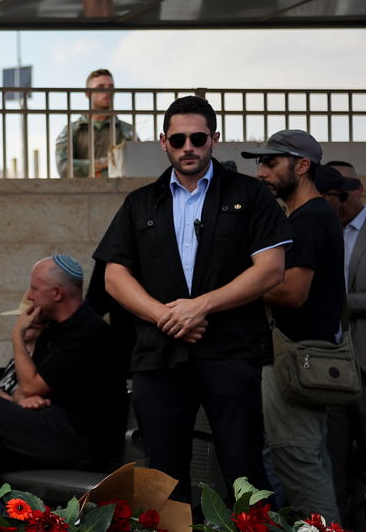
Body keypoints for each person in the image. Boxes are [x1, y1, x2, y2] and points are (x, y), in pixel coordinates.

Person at [94, 96, 293, 500]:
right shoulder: (140, 203)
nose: (189, 147)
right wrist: (164, 316)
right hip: (159, 356)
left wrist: (199, 306)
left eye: (198, 137)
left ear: (214, 140)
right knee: (163, 475)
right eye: (179, 138)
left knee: (244, 467)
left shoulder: (249, 194)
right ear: (163, 141)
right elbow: (114, 277)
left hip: (231, 353)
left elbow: (271, 269)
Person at [0, 256, 123, 482]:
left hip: (80, 444)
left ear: (57, 293)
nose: (29, 296)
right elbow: (23, 389)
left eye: (35, 289)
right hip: (48, 433)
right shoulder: (54, 330)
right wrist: (22, 398)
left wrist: (17, 335)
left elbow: (30, 386)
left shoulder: (89, 331)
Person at [246, 131, 346, 520]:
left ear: (302, 166)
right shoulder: (308, 216)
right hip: (299, 360)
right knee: (303, 461)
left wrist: (240, 285)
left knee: (299, 466)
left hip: (296, 359)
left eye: (271, 162)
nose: (261, 172)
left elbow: (292, 292)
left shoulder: (309, 219)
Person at [320, 162, 365, 527]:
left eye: (341, 196)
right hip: (327, 368)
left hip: (362, 365)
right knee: (332, 462)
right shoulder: (324, 230)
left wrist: (331, 298)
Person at [55, 69, 137, 178]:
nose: (107, 92)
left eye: (111, 88)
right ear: (88, 93)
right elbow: (64, 168)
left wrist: (92, 170)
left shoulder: (126, 129)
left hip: (119, 191)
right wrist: (106, 162)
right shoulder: (72, 129)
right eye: (101, 87)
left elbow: (136, 164)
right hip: (81, 192)